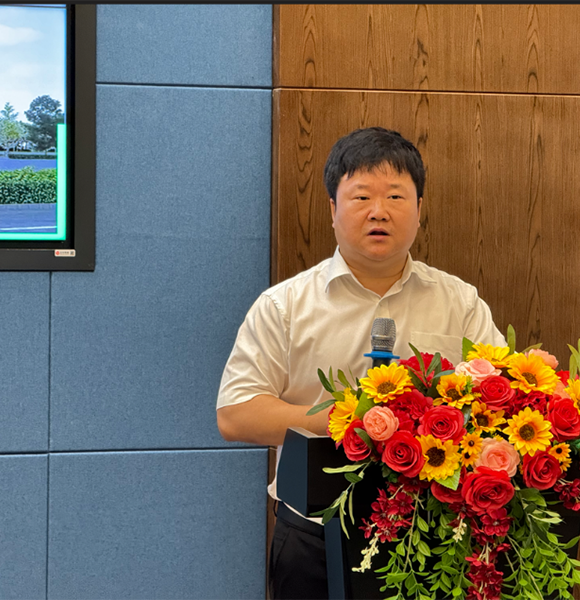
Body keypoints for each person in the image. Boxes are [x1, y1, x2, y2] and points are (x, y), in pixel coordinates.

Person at [216, 126, 507, 600]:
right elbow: (235, 414)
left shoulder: (460, 302)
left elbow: (502, 398)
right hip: (314, 531)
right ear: (332, 209)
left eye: (395, 196)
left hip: (432, 530)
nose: (379, 211)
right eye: (361, 197)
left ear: (419, 209)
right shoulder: (284, 306)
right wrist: (343, 421)